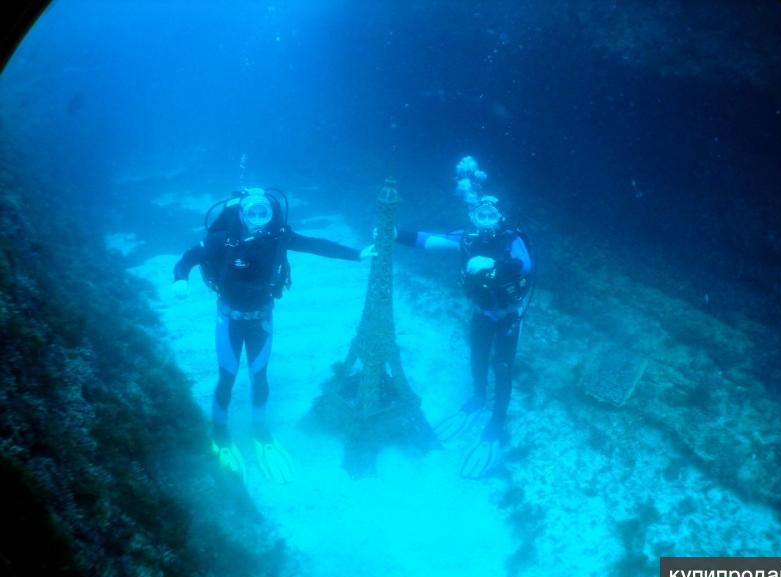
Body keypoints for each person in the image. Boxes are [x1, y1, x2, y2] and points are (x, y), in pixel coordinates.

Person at [173, 187, 374, 484]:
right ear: (241, 214)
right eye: (251, 212)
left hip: (262, 320)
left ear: (271, 214)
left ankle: (260, 432)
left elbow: (315, 244)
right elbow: (189, 257)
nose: (258, 219)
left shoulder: (279, 236)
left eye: (263, 212)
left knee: (260, 377)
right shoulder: (222, 239)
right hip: (229, 319)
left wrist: (357, 254)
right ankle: (219, 432)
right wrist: (180, 279)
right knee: (227, 377)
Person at [395, 157, 534, 478]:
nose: (485, 219)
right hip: (481, 313)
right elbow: (428, 241)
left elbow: (524, 265)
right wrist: (392, 232)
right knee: (477, 357)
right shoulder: (467, 238)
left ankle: (497, 421)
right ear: (472, 215)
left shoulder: (512, 239)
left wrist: (494, 266)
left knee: (502, 366)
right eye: (479, 214)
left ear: (500, 216)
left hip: (510, 315)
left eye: (491, 214)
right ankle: (477, 399)